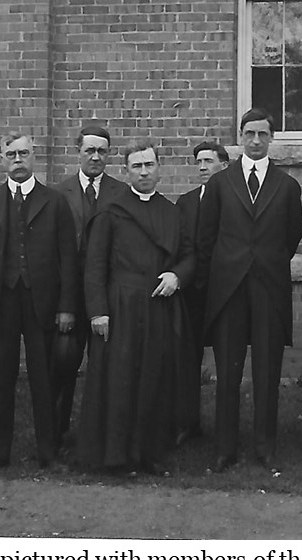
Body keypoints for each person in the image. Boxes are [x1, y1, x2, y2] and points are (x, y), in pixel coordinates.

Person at [78, 141, 195, 475]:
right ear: (126, 171)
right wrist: (97, 311)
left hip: (159, 305)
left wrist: (177, 275)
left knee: (154, 381)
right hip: (120, 307)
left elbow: (189, 255)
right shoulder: (111, 211)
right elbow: (95, 265)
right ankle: (116, 457)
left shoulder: (172, 212)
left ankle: (150, 455)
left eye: (149, 165)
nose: (144, 172)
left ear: (159, 168)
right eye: (137, 166)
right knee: (120, 381)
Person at [197, 107, 302, 474]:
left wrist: (265, 263)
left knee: (267, 373)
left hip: (269, 290)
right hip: (229, 291)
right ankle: (224, 448)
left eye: (262, 134)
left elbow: (292, 237)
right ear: (240, 137)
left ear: (271, 138)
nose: (255, 140)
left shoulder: (287, 186)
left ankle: (265, 446)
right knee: (227, 373)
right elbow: (206, 238)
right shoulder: (220, 183)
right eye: (249, 134)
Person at [0, 133, 79, 470]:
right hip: (1, 301)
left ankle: (48, 451)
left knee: (43, 379)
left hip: (41, 302)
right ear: (2, 159)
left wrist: (66, 306)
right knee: (1, 377)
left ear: (34, 158)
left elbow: (68, 258)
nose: (18, 159)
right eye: (11, 154)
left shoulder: (55, 202)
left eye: (24, 153)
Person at [53, 125, 126, 453]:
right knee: (63, 363)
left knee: (105, 369)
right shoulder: (59, 193)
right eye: (89, 150)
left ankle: (99, 435)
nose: (96, 156)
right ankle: (56, 433)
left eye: (102, 151)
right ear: (78, 151)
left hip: (107, 299)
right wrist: (63, 304)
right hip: (69, 296)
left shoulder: (120, 193)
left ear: (108, 154)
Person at [175, 141, 229, 444]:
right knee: (187, 360)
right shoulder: (186, 202)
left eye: (209, 161)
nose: (202, 167)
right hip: (192, 294)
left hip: (222, 293)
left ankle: (224, 429)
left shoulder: (233, 200)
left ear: (223, 164)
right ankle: (188, 422)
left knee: (225, 360)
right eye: (199, 161)